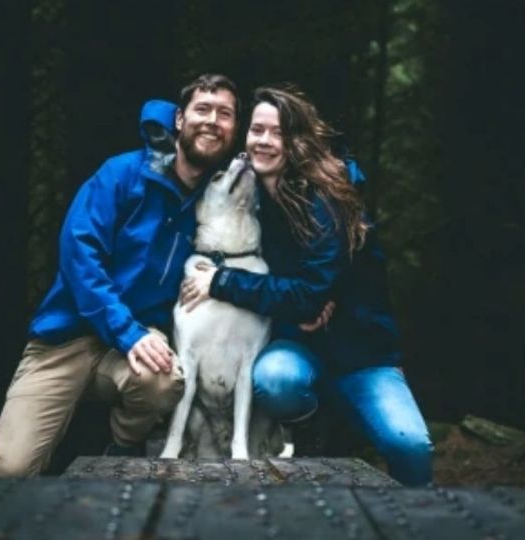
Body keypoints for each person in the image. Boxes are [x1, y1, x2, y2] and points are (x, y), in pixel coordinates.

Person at [0, 74, 240, 478]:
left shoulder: (220, 198)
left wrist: (320, 293)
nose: (212, 121)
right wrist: (126, 330)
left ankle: (117, 452)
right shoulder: (122, 173)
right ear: (178, 119)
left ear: (233, 129)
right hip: (65, 340)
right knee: (7, 473)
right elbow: (78, 251)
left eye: (225, 114)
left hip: (132, 347)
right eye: (202, 109)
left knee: (164, 381)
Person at [180, 85, 433, 486]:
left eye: (276, 132)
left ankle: (421, 515)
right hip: (299, 346)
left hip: (360, 352)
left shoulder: (327, 198)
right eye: (256, 130)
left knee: (410, 446)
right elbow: (299, 298)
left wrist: (223, 281)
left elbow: (308, 295)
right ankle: (313, 427)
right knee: (276, 380)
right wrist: (297, 305)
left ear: (298, 141)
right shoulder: (252, 197)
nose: (263, 141)